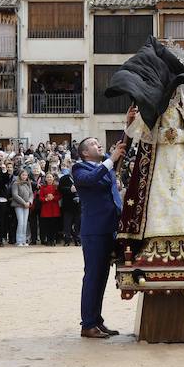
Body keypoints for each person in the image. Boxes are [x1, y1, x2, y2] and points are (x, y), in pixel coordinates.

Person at [72, 136, 126, 340]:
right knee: (93, 277)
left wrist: (128, 124)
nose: (99, 145)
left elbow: (121, 146)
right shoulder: (79, 169)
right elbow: (92, 178)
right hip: (94, 230)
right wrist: (110, 160)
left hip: (110, 227)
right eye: (94, 143)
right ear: (85, 152)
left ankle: (96, 321)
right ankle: (87, 324)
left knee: (102, 278)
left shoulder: (106, 165)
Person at [37, 173, 62, 245]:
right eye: (48, 177)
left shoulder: (56, 187)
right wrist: (46, 199)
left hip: (54, 208)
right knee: (47, 226)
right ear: (45, 179)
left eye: (50, 177)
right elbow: (40, 197)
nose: (49, 179)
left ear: (53, 178)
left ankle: (53, 240)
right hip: (46, 208)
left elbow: (59, 196)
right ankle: (48, 240)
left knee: (54, 225)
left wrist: (53, 197)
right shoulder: (43, 187)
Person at [10, 170, 33, 248]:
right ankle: (19, 240)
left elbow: (31, 194)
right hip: (19, 205)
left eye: (26, 175)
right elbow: (15, 195)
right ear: (20, 175)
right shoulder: (16, 183)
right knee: (20, 222)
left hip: (27, 205)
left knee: (25, 223)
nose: (24, 176)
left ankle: (24, 240)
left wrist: (29, 202)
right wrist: (24, 203)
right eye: (23, 175)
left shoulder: (28, 184)